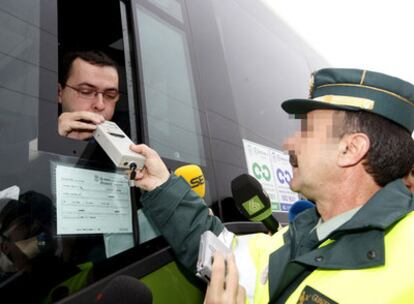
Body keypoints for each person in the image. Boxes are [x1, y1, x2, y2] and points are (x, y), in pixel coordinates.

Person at [128, 68, 414, 303]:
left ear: (351, 149)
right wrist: (162, 185)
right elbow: (226, 256)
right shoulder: (303, 233)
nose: (288, 143)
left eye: (306, 131)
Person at [58, 50, 120, 140]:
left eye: (110, 95)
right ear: (59, 92)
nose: (100, 105)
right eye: (85, 91)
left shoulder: (133, 143)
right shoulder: (33, 132)